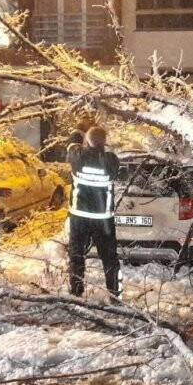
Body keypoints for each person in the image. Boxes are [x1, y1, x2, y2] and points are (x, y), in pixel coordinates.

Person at [68, 126, 122, 302]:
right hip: (102, 219)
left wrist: (79, 136)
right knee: (110, 259)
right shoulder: (110, 161)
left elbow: (71, 145)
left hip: (80, 217)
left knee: (77, 255)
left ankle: (76, 292)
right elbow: (113, 158)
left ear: (87, 141)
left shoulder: (77, 156)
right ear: (104, 143)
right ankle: (115, 295)